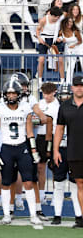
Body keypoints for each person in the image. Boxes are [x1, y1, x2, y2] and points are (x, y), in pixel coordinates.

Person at [0, 79, 42, 226]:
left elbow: (29, 130)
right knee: (6, 182)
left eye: (14, 93)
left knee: (28, 181)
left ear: (19, 94)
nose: (11, 96)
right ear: (5, 94)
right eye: (9, 93)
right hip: (6, 147)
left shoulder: (25, 107)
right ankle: (7, 214)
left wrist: (33, 150)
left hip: (22, 147)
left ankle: (33, 215)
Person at [51, 83, 83, 226]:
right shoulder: (64, 107)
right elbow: (58, 129)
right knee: (77, 184)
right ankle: (77, 217)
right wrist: (55, 150)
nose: (79, 88)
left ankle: (79, 217)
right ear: (72, 88)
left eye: (82, 86)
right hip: (73, 151)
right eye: (77, 86)